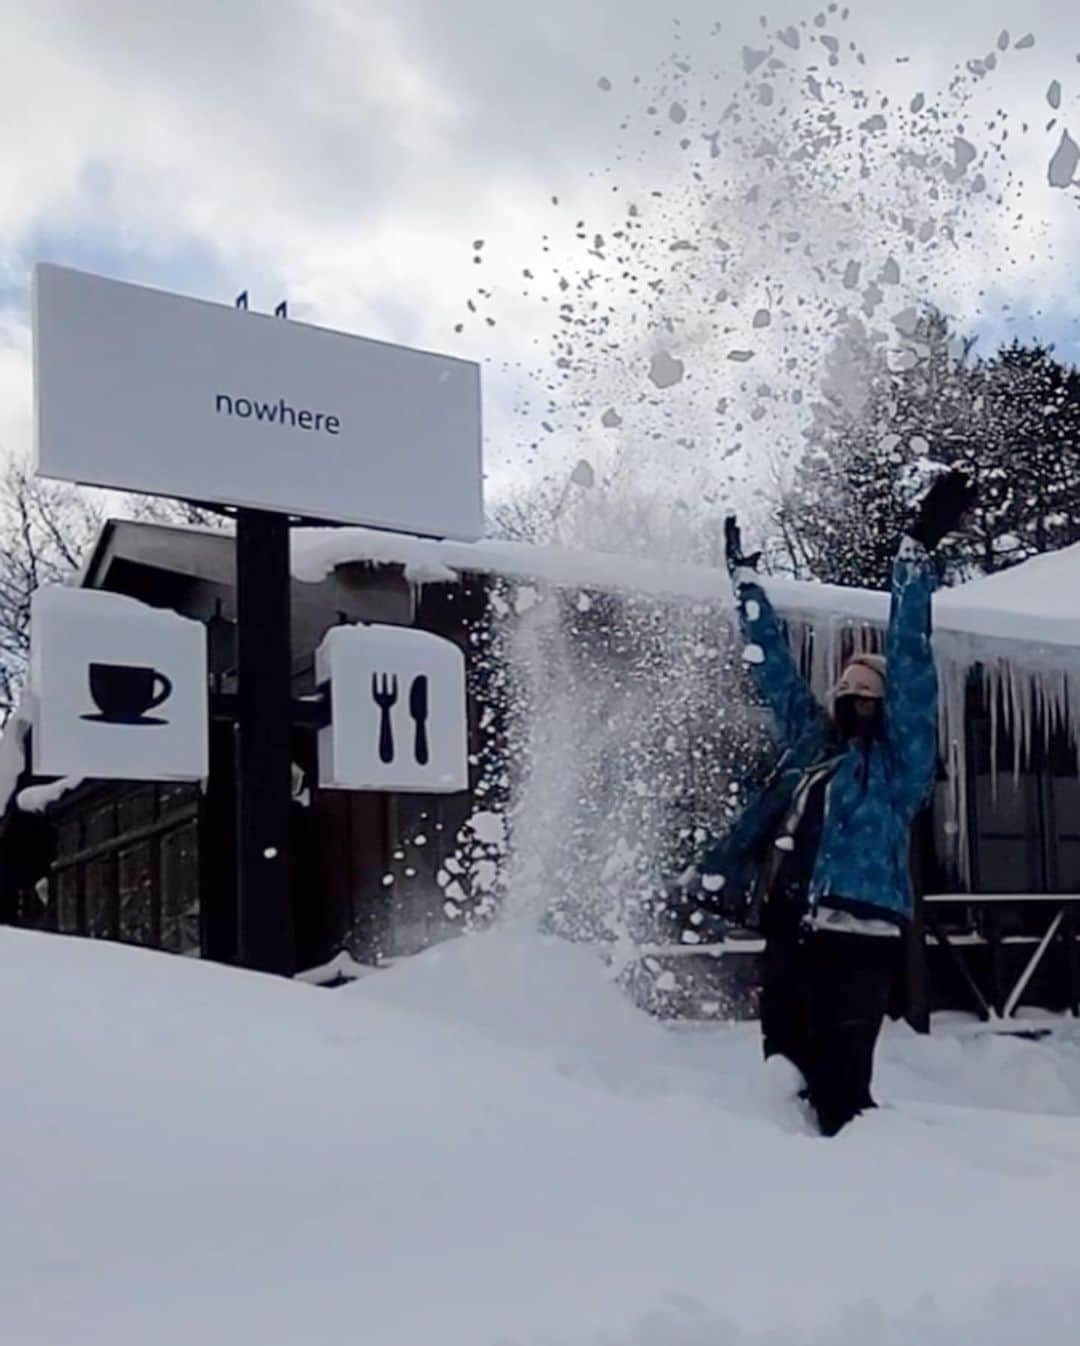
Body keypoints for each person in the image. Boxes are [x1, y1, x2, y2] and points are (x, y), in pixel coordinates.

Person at [696, 471, 976, 1136]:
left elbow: (909, 658)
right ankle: (792, 1202)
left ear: (884, 709)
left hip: (861, 936)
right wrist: (745, 587)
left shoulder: (899, 766)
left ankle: (873, 1200)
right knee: (783, 1077)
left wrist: (914, 554)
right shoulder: (815, 752)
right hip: (794, 932)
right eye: (845, 692)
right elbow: (776, 674)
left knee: (841, 1093)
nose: (851, 702)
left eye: (865, 696)